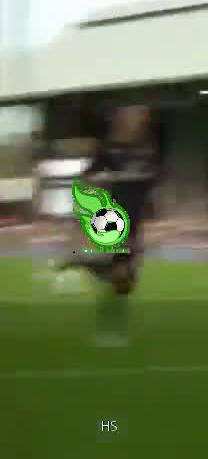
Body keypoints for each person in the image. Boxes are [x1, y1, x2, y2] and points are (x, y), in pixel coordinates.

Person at [58, 106, 158, 347]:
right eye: (134, 118)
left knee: (123, 281)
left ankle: (83, 262)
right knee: (122, 279)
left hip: (134, 224)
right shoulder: (110, 150)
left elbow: (151, 180)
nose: (137, 123)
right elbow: (87, 175)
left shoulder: (147, 150)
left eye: (141, 119)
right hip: (116, 221)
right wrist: (97, 180)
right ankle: (111, 332)